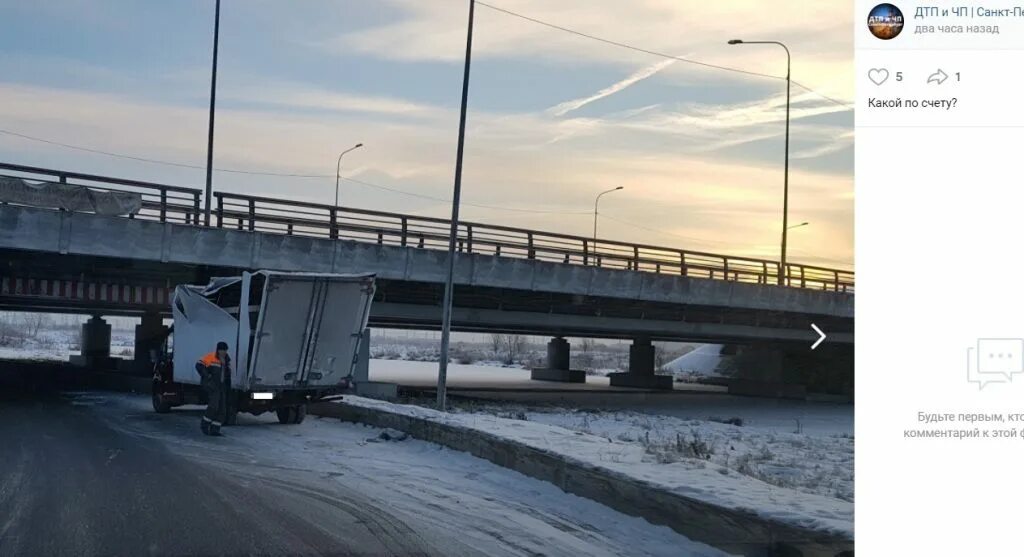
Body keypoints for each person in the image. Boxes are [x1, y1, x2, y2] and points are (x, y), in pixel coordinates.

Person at [196, 341, 230, 436]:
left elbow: (227, 375)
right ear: (218, 350)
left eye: (225, 350)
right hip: (213, 386)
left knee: (222, 409)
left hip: (222, 387)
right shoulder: (211, 357)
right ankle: (204, 425)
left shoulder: (227, 360)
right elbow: (198, 366)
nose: (223, 352)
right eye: (222, 350)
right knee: (214, 406)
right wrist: (208, 377)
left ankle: (215, 429)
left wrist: (228, 387)